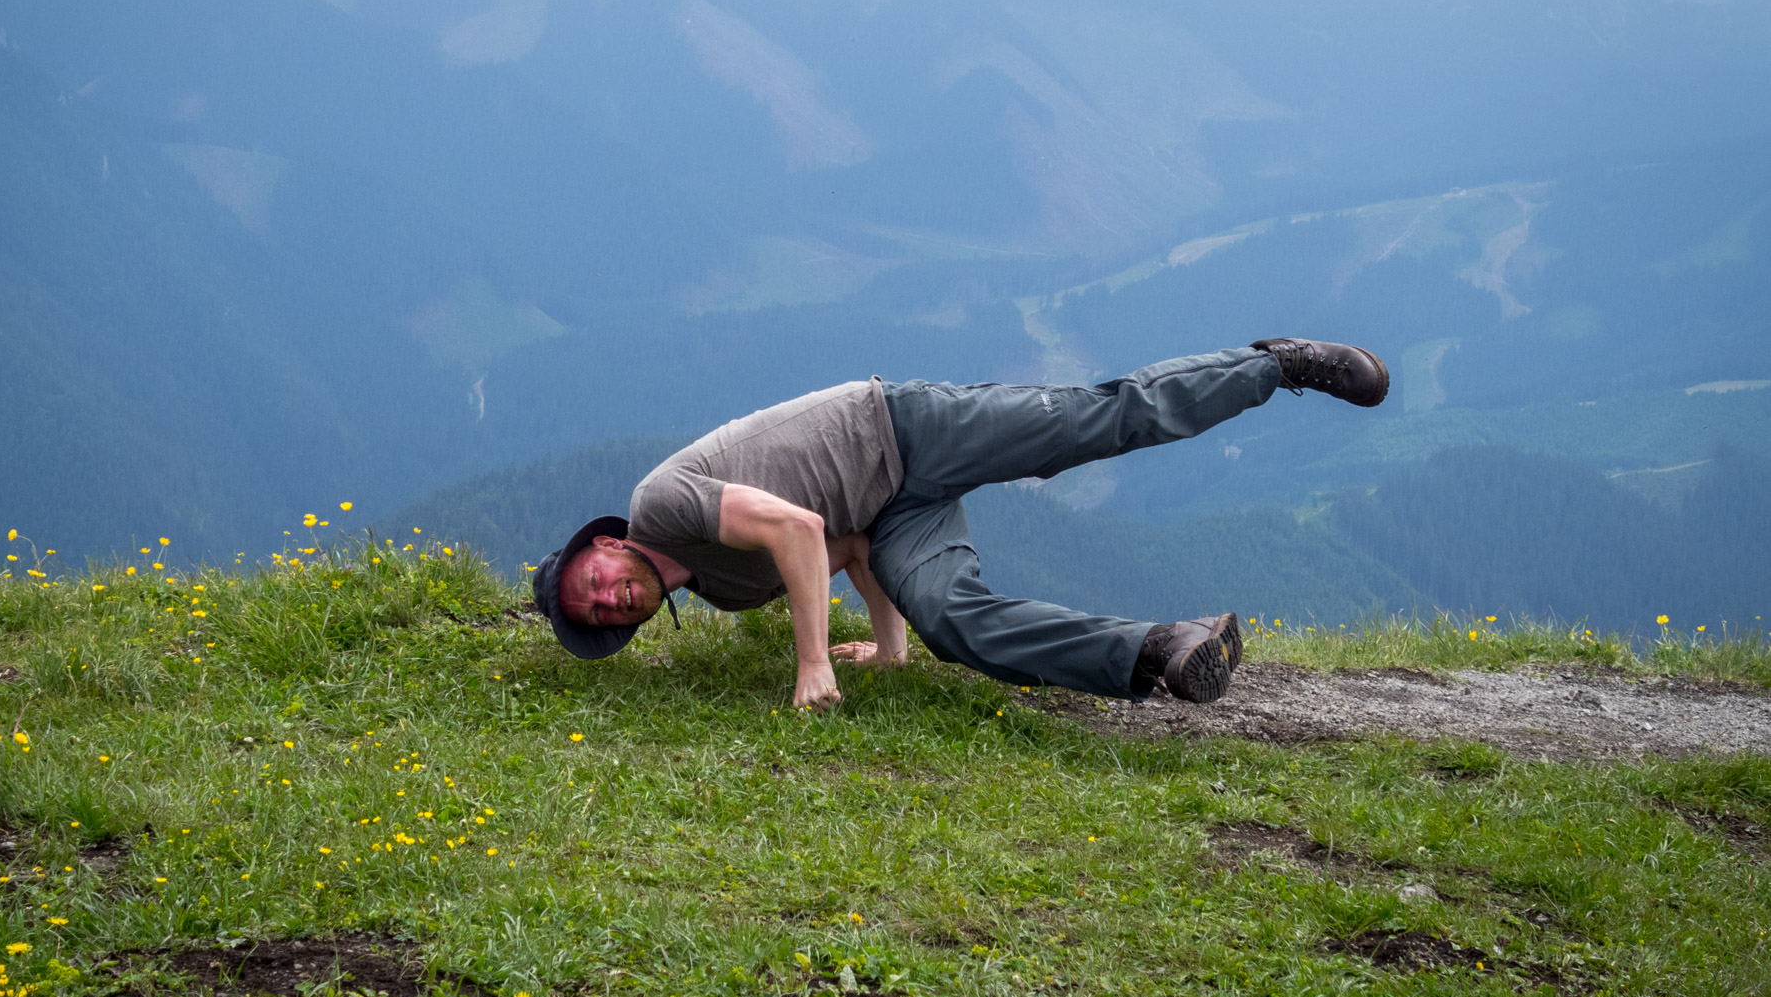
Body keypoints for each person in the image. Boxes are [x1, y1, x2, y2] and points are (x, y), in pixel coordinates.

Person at [533, 340, 1387, 711]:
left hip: (898, 427)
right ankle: (1163, 647)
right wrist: (893, 645)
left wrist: (813, 665)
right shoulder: (718, 588)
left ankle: (1277, 365)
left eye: (595, 582)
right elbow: (849, 545)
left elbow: (795, 528)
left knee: (1093, 422)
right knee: (958, 627)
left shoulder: (659, 505)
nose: (610, 597)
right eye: (601, 613)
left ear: (605, 545)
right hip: (891, 510)